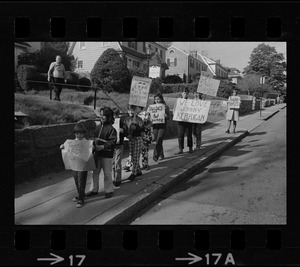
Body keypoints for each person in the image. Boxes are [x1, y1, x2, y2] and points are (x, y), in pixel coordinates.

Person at [86, 107, 117, 199]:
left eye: (103, 115)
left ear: (109, 117)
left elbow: (113, 142)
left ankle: (109, 190)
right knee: (95, 172)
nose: (101, 117)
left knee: (107, 173)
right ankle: (94, 189)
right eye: (101, 115)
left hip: (106, 155)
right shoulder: (98, 127)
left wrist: (103, 146)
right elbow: (94, 138)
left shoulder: (111, 129)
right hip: (97, 154)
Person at [60, 123, 89, 208]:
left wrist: (92, 147)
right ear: (75, 134)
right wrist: (62, 146)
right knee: (76, 180)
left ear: (84, 133)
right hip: (74, 165)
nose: (79, 135)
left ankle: (81, 199)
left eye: (81, 133)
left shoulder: (86, 142)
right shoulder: (72, 142)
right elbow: (66, 147)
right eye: (77, 133)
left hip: (83, 165)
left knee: (81, 181)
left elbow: (90, 149)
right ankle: (81, 194)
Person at [123, 105, 145, 181]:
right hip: (130, 139)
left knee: (136, 155)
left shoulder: (139, 119)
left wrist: (137, 128)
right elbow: (125, 129)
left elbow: (142, 129)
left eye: (133, 110)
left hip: (137, 138)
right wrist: (127, 135)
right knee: (132, 155)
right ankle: (138, 170)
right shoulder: (126, 120)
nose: (131, 112)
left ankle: (134, 173)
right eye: (130, 110)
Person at [151, 93, 170, 161]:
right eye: (155, 99)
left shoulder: (165, 107)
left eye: (158, 99)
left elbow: (169, 117)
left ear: (161, 99)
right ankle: (161, 154)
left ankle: (155, 156)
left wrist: (166, 116)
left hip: (162, 125)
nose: (157, 100)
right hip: (155, 126)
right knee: (157, 140)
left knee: (159, 139)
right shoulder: (152, 107)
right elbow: (149, 115)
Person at [112, 109, 127, 187]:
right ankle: (114, 178)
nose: (114, 117)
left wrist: (123, 130)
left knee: (117, 162)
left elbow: (126, 131)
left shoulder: (121, 122)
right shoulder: (110, 122)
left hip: (119, 145)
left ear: (118, 115)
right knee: (113, 163)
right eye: (113, 115)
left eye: (115, 115)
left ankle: (118, 179)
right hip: (112, 145)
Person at [175, 88, 193, 154]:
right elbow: (175, 109)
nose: (185, 94)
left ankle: (190, 148)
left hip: (188, 121)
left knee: (189, 135)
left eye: (186, 93)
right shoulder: (179, 101)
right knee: (180, 135)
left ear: (188, 94)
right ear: (182, 93)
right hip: (181, 121)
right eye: (183, 92)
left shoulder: (191, 101)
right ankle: (180, 149)